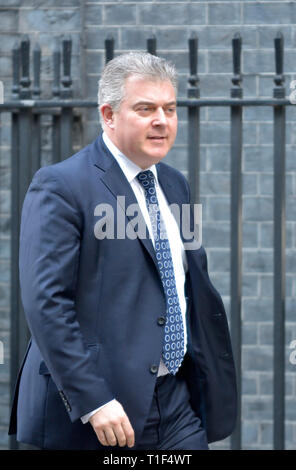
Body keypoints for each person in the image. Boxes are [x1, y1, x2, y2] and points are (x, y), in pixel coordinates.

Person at [9, 52, 237, 450]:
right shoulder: (61, 186)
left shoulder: (175, 185)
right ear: (109, 115)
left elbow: (186, 285)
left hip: (176, 401)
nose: (162, 120)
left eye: (169, 108)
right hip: (100, 411)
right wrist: (93, 400)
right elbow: (45, 302)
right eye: (145, 108)